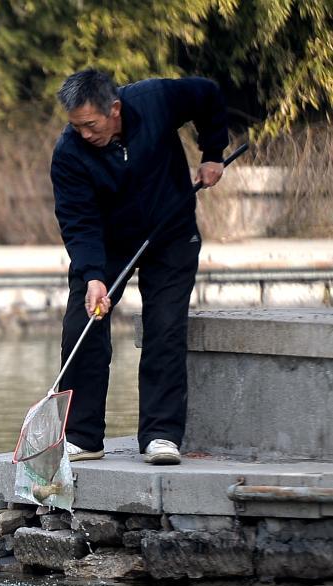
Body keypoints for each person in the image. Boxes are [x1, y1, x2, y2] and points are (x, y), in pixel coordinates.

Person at [50, 69, 229, 465]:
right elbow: (78, 221)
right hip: (109, 244)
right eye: (75, 126)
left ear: (114, 109)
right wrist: (94, 276)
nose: (83, 134)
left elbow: (208, 94)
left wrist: (213, 153)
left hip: (171, 232)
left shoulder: (156, 99)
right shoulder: (69, 153)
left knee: (165, 327)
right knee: (82, 326)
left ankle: (161, 435)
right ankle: (82, 435)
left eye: (90, 125)